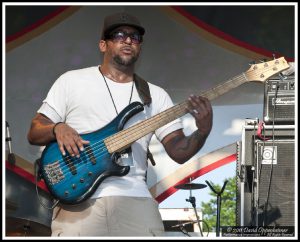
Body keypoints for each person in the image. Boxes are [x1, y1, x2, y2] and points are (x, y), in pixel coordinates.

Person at [27, 12, 213, 237]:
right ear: (103, 45)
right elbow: (35, 131)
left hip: (135, 199)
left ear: (140, 47)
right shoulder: (71, 81)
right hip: (78, 201)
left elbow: (179, 152)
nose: (128, 40)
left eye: (135, 37)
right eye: (120, 35)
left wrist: (202, 131)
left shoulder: (156, 95)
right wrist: (57, 128)